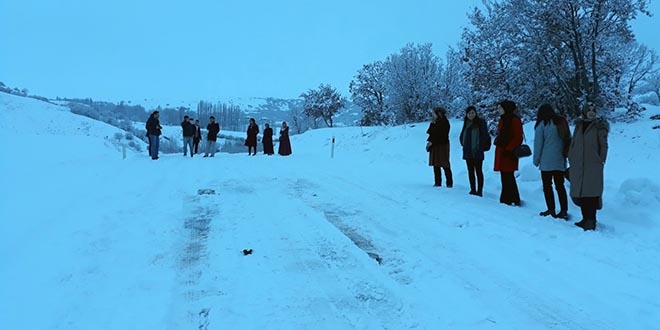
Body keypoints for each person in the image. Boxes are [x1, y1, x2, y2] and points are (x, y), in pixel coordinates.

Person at [567, 102, 609, 231]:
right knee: (581, 194)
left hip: (593, 165)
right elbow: (573, 142)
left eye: (593, 110)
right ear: (584, 112)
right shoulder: (579, 126)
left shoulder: (599, 127)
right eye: (589, 110)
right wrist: (571, 155)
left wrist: (600, 160)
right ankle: (585, 219)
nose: (591, 112)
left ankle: (591, 221)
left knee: (591, 194)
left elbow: (604, 145)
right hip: (578, 164)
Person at [533, 104, 571, 219]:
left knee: (547, 186)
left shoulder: (542, 125)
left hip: (546, 161)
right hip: (560, 159)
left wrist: (536, 160)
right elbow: (568, 138)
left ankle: (551, 209)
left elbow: (538, 144)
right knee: (560, 186)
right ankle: (564, 210)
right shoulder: (561, 122)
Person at [493, 100, 523, 206]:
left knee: (508, 175)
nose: (499, 110)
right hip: (502, 150)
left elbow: (518, 137)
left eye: (500, 108)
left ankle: (509, 198)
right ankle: (511, 197)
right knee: (505, 175)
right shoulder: (503, 120)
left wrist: (509, 149)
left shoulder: (514, 120)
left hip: (509, 152)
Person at [459, 106, 490, 196]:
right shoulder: (466, 123)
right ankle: (472, 189)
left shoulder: (481, 122)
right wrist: (463, 143)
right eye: (469, 113)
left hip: (477, 150)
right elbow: (463, 134)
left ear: (475, 113)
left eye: (472, 113)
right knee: (470, 171)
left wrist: (479, 146)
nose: (471, 115)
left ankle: (479, 191)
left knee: (479, 171)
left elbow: (485, 136)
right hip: (468, 150)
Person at [426, 107, 453, 187]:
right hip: (435, 145)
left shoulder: (444, 122)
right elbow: (430, 132)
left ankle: (449, 183)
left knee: (445, 164)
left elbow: (441, 135)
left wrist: (432, 141)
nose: (433, 115)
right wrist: (432, 123)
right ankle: (437, 182)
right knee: (436, 164)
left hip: (442, 145)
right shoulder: (435, 122)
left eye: (434, 113)